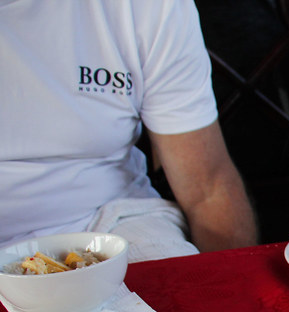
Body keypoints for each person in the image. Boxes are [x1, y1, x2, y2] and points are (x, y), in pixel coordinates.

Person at [0, 0, 258, 263]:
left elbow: (207, 188)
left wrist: (236, 290)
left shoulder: (149, 7)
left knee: (174, 295)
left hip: (112, 218)